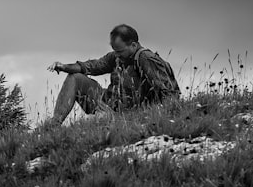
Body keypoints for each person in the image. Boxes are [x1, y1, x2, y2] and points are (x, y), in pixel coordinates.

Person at [44, 24, 180, 127]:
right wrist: (64, 67)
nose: (117, 55)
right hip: (108, 103)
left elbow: (169, 93)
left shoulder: (146, 58)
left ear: (133, 45)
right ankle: (53, 125)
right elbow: (92, 66)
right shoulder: (115, 57)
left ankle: (106, 118)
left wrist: (153, 118)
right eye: (115, 50)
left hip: (129, 113)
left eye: (120, 51)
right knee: (74, 77)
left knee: (102, 120)